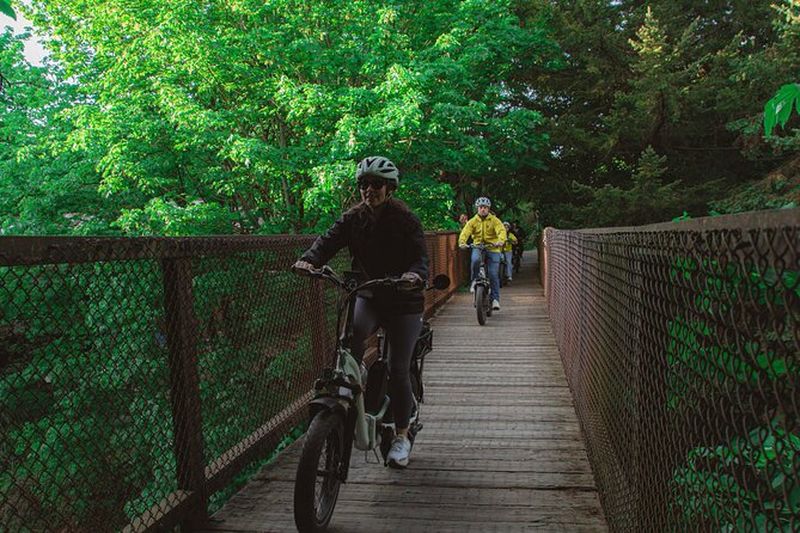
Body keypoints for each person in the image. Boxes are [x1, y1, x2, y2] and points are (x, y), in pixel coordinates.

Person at [292, 156, 428, 469]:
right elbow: (327, 242)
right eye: (364, 184)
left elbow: (421, 259)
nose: (370, 190)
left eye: (377, 184)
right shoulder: (352, 219)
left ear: (389, 188)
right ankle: (353, 393)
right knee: (349, 343)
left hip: (404, 300)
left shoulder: (406, 220)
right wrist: (309, 260)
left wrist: (413, 276)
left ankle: (402, 436)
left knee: (397, 367)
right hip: (369, 293)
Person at [458, 197, 506, 310]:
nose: (483, 209)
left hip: (493, 248)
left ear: (488, 209)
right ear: (477, 209)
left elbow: (501, 230)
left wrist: (501, 240)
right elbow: (465, 232)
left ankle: (495, 299)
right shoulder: (472, 221)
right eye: (481, 207)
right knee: (475, 260)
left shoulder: (495, 220)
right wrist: (462, 242)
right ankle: (474, 280)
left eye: (485, 207)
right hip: (478, 247)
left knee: (493, 274)